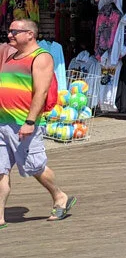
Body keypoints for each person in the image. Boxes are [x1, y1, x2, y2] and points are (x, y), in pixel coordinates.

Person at [0, 19, 75, 223]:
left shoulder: (41, 57)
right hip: (2, 123)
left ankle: (59, 196)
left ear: (30, 35)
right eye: (9, 31)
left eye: (15, 32)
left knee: (35, 167)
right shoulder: (8, 54)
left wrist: (30, 122)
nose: (10, 35)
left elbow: (40, 93)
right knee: (0, 169)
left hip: (23, 123)